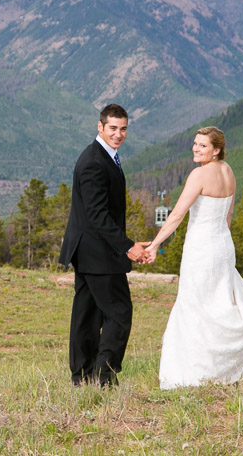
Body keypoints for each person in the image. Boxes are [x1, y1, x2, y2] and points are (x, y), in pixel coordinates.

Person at [143, 126, 243, 390]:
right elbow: (228, 216)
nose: (196, 148)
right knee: (219, 302)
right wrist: (222, 243)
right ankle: (223, 369)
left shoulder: (199, 175)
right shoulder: (228, 171)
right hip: (223, 245)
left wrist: (155, 244)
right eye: (195, 143)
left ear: (216, 150)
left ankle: (193, 373)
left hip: (201, 247)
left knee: (195, 304)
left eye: (203, 145)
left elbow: (177, 215)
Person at [59, 103, 150, 387]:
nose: (118, 134)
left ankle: (82, 376)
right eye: (113, 128)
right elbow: (96, 216)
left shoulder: (104, 156)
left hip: (90, 251)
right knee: (119, 313)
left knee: (86, 315)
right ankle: (104, 376)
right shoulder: (94, 162)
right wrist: (128, 246)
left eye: (123, 129)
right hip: (97, 253)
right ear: (100, 127)